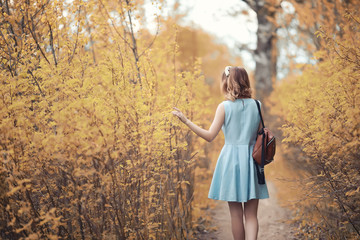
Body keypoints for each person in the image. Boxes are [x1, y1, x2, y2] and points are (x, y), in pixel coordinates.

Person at [171, 66, 269, 240]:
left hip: (231, 161)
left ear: (228, 82)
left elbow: (209, 136)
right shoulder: (257, 105)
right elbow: (261, 134)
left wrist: (186, 121)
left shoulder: (224, 107)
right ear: (245, 81)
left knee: (236, 214)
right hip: (252, 162)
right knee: (252, 215)